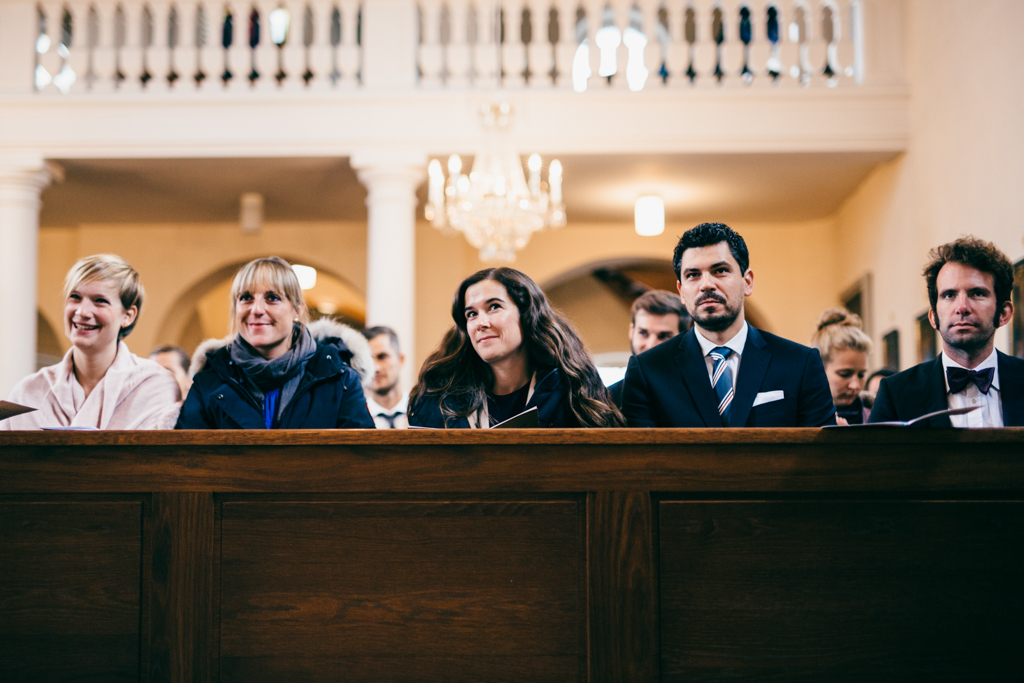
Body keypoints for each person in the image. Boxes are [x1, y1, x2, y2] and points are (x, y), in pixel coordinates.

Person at [622, 222, 836, 427]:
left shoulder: (800, 364)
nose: (706, 285)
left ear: (747, 282)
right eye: (693, 275)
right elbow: (642, 460)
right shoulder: (648, 371)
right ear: (681, 291)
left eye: (720, 270)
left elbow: (820, 457)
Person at [408, 267, 625, 429]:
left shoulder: (572, 387)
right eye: (471, 314)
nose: (480, 323)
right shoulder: (440, 397)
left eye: (494, 307)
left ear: (526, 314)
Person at [176, 256, 375, 429]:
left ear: (297, 309)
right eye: (246, 298)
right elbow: (186, 461)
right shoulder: (208, 383)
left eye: (272, 298)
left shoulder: (339, 378)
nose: (256, 309)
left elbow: (363, 462)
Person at [3, 254, 180, 430]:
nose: (82, 311)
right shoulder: (28, 392)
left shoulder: (155, 385)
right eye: (75, 297)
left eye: (100, 301)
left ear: (128, 316)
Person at [870, 236, 1023, 427]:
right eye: (949, 295)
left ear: (1003, 313)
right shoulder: (895, 393)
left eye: (977, 293)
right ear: (933, 316)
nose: (962, 307)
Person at [607, 290, 689, 407]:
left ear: (683, 338)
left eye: (664, 336)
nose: (651, 345)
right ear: (632, 332)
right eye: (643, 333)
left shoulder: (701, 394)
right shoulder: (607, 399)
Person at [811, 309, 872, 425]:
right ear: (819, 370)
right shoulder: (798, 418)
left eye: (861, 375)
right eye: (844, 374)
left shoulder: (877, 413)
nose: (855, 385)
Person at [362, 326, 408, 429]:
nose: (375, 368)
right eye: (368, 360)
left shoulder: (422, 412)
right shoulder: (356, 419)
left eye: (382, 356)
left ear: (400, 360)